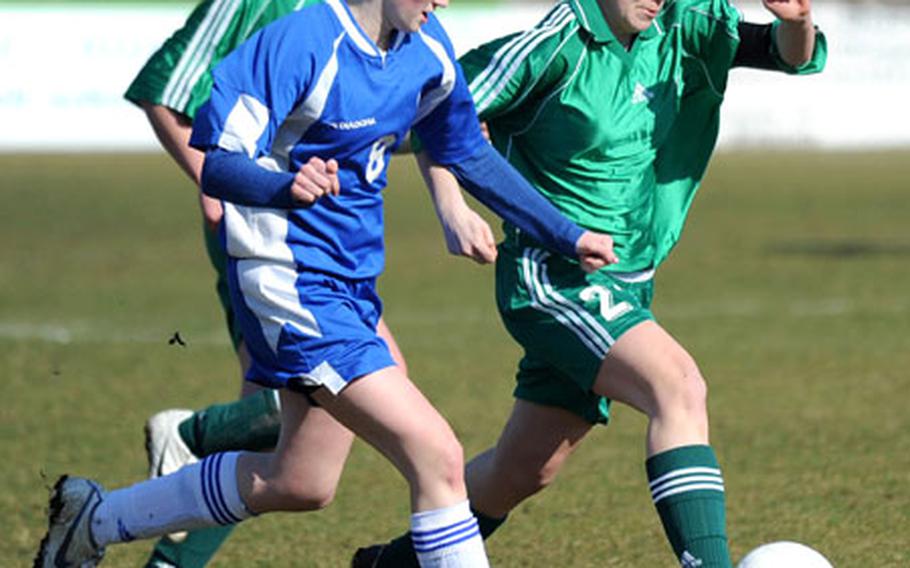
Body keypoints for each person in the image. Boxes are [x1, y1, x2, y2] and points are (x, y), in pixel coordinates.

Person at [33, 0, 620, 566]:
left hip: (350, 285)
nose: (443, 0)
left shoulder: (427, 49)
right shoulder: (301, 43)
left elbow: (465, 150)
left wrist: (565, 234)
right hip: (288, 280)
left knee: (300, 479)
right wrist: (284, 186)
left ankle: (92, 520)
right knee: (436, 454)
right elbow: (219, 162)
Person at [352, 0, 827, 566]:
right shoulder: (552, 47)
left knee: (524, 469)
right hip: (554, 277)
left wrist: (796, 21)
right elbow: (436, 114)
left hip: (628, 281)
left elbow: (783, 53)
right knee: (677, 388)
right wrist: (452, 207)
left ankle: (392, 564)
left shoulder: (684, 25)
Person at [123, 2, 412, 566]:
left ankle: (174, 525)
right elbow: (162, 87)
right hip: (264, 232)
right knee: (361, 389)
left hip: (328, 238)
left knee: (293, 446)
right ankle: (194, 434)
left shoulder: (370, 15)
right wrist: (210, 178)